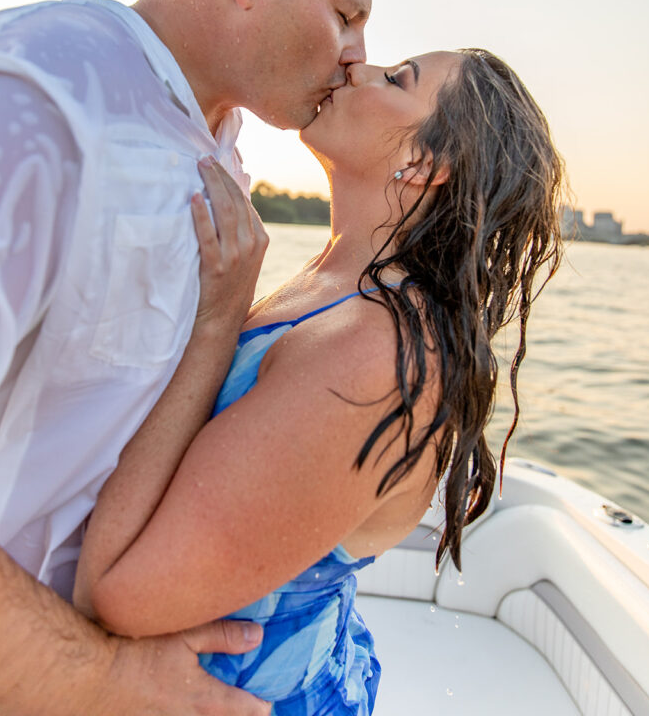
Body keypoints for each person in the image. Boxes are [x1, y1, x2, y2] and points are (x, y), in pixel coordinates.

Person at [0, 0, 391, 714]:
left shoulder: (217, 153)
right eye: (345, 14)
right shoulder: (34, 98)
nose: (357, 55)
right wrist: (94, 679)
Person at [74, 48, 565, 713]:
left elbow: (118, 595)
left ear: (424, 165)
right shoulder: (336, 284)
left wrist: (217, 323)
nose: (357, 68)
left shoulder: (379, 352)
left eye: (396, 80)